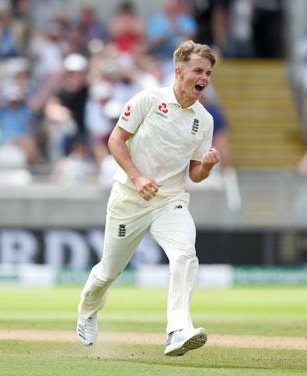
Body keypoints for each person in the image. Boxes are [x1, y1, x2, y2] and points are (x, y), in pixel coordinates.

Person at [76, 40, 220, 356]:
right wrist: (138, 178)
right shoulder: (149, 99)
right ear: (179, 71)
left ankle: (178, 329)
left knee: (184, 255)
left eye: (208, 73)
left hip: (170, 200)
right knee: (109, 271)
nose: (204, 78)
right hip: (130, 196)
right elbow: (116, 140)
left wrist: (206, 167)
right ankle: (88, 309)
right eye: (198, 71)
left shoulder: (204, 120)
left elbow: (194, 174)